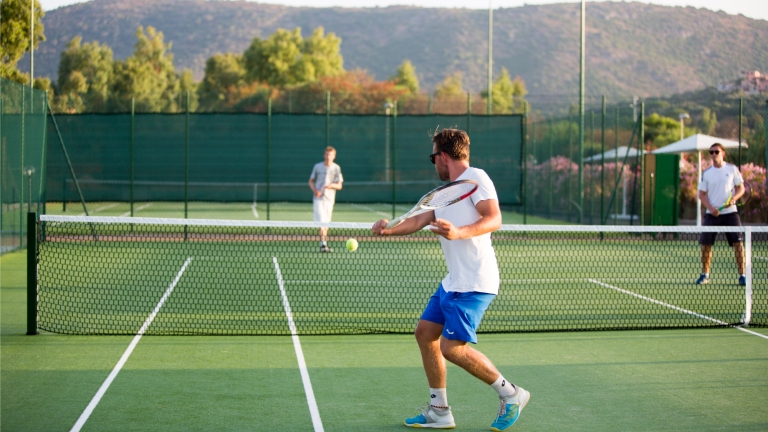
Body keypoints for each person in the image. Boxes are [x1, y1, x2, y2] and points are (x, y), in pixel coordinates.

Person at [372, 128, 529, 430]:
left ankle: (511, 395)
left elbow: (494, 218)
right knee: (425, 334)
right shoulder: (445, 193)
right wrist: (388, 230)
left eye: (433, 157)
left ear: (443, 156)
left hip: (475, 283)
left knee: (451, 347)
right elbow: (419, 220)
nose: (434, 163)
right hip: (453, 282)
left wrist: (459, 232)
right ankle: (439, 410)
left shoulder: (475, 179)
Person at [696, 143, 746, 286]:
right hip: (712, 215)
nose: (713, 154)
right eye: (711, 152)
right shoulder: (707, 173)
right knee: (706, 244)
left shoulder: (732, 169)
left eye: (716, 152)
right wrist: (711, 208)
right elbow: (701, 194)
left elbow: (741, 188)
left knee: (738, 244)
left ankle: (742, 275)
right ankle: (705, 274)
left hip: (731, 214)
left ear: (723, 153)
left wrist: (734, 199)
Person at [309, 146, 343, 253]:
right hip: (318, 199)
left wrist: (331, 185)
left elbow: (339, 186)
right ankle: (323, 244)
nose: (328, 156)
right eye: (327, 154)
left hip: (329, 199)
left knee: (326, 222)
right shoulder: (317, 167)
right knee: (320, 221)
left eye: (330, 155)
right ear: (324, 155)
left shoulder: (336, 168)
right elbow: (311, 181)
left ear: (334, 156)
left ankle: (324, 243)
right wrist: (315, 191)